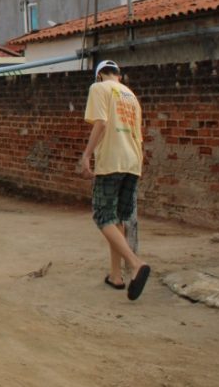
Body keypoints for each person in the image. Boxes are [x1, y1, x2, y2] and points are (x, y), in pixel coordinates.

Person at [79, 60, 151, 301]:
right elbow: (138, 135)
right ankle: (116, 276)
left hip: (112, 160)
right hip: (133, 162)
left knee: (102, 216)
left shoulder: (99, 88)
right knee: (117, 218)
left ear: (100, 75)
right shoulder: (131, 96)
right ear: (119, 75)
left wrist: (87, 155)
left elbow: (101, 122)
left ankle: (135, 263)